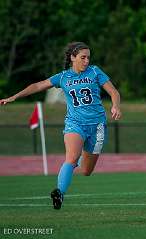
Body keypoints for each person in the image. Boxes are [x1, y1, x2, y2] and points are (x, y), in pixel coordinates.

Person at [0, 42, 122, 210]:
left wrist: (115, 105)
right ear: (73, 58)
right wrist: (15, 96)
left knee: (86, 171)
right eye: (82, 57)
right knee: (70, 159)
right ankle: (59, 193)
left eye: (88, 57)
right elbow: (38, 85)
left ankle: (80, 159)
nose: (86, 61)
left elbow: (114, 92)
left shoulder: (95, 71)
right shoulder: (63, 77)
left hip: (97, 126)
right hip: (75, 124)